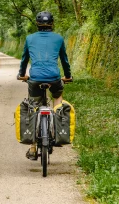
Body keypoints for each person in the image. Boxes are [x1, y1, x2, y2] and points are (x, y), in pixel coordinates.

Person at [17, 11, 72, 160]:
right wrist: (67, 76)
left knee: (33, 105)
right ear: (52, 24)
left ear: (37, 24)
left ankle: (33, 147)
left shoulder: (29, 38)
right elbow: (64, 60)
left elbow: (24, 59)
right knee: (57, 95)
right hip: (54, 78)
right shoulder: (59, 38)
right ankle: (59, 131)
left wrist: (21, 74)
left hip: (35, 78)